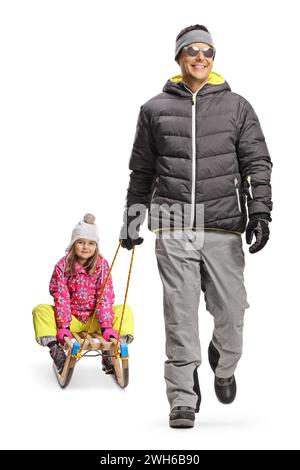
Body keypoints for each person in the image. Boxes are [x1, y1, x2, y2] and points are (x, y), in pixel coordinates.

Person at [119, 25, 273, 428]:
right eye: (191, 50)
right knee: (180, 315)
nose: (200, 57)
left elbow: (257, 162)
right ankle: (182, 396)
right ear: (179, 58)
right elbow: (142, 170)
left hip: (222, 224)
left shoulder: (237, 106)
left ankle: (224, 363)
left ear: (213, 57)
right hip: (171, 226)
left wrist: (259, 212)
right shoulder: (154, 109)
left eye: (207, 50)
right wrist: (133, 217)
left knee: (232, 311)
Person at [33, 213, 134, 374]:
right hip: (71, 319)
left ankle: (111, 352)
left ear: (96, 246)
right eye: (81, 242)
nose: (86, 247)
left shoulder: (102, 266)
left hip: (96, 320)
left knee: (125, 311)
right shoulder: (62, 266)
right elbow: (61, 296)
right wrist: (64, 325)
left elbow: (105, 296)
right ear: (73, 244)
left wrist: (106, 326)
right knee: (40, 310)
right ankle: (56, 351)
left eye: (91, 243)